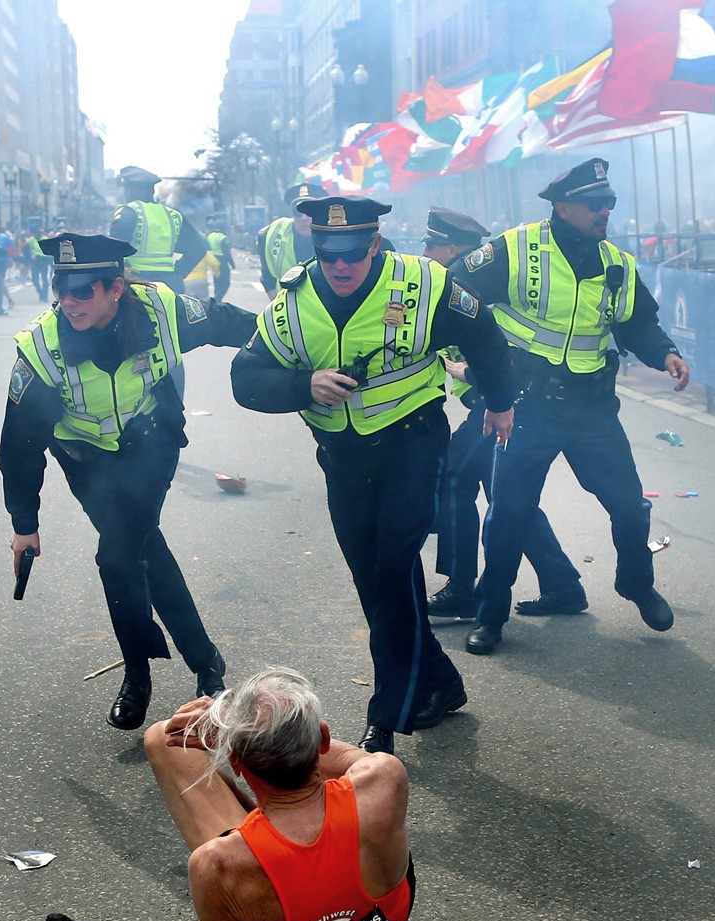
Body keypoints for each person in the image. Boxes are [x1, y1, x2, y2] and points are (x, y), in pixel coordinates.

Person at [231, 197, 515, 755]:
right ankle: (441, 682)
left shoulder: (423, 283)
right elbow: (245, 379)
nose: (340, 266)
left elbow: (483, 335)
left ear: (376, 243)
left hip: (414, 442)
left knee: (391, 568)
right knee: (378, 580)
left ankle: (387, 716)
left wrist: (500, 401)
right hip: (344, 459)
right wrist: (302, 386)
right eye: (328, 254)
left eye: (353, 254)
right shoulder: (290, 302)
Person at [47, 666, 413, 921]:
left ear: (235, 763)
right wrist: (249, 731)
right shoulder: (384, 776)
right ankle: (277, 813)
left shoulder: (217, 866)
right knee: (170, 737)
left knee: (163, 737)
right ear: (322, 738)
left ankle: (269, 820)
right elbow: (340, 758)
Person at [0, 233, 257, 729]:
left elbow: (231, 322)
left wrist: (290, 354)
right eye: (61, 288)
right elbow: (19, 443)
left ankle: (137, 675)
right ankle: (207, 664)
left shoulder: (161, 310)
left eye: (83, 291)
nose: (68, 302)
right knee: (145, 552)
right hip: (86, 459)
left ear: (116, 288)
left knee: (117, 556)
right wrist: (24, 523)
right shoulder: (42, 348)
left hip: (149, 443)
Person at [447, 157, 691, 656]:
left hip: (592, 412)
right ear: (562, 206)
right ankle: (491, 616)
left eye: (610, 203)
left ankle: (636, 584)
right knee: (509, 515)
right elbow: (455, 297)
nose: (605, 211)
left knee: (629, 506)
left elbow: (638, 322)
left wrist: (665, 352)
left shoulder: (617, 264)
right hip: (526, 409)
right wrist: (472, 369)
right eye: (595, 203)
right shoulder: (515, 249)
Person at [422, 208, 585, 622]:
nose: (425, 251)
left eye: (432, 244)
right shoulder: (450, 289)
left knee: (455, 478)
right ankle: (563, 584)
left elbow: (505, 357)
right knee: (508, 499)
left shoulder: (474, 295)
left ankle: (461, 587)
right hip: (494, 406)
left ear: (454, 248)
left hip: (501, 406)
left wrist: (467, 373)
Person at [109, 165, 207, 294]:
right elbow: (199, 248)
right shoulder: (173, 215)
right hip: (169, 286)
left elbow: (112, 250)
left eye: (126, 188)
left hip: (136, 285)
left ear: (130, 189)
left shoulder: (129, 211)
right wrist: (178, 274)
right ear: (152, 191)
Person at [257, 182, 329, 299]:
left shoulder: (334, 236)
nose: (304, 218)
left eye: (310, 212)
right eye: (298, 212)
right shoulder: (271, 234)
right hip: (287, 307)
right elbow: (267, 277)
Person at [206, 219, 235, 302]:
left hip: (213, 261)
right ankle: (216, 300)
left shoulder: (210, 236)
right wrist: (232, 264)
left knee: (217, 283)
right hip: (222, 262)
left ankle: (217, 301)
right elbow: (227, 252)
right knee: (226, 283)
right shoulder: (223, 237)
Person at [24, 229, 51, 302]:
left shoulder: (45, 239)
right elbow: (25, 250)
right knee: (34, 279)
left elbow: (50, 249)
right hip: (35, 260)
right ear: (34, 233)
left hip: (43, 259)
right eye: (37, 233)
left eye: (39, 233)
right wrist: (30, 256)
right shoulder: (30, 240)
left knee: (44, 278)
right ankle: (40, 292)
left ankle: (45, 295)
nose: (38, 234)